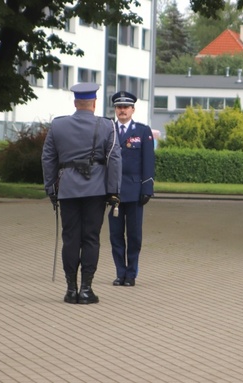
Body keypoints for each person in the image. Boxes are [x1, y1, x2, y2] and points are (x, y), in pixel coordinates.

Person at [42, 83, 122, 304]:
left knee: (70, 239)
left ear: (75, 103)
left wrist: (50, 187)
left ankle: (70, 289)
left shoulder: (58, 126)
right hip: (96, 191)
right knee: (90, 239)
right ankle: (86, 289)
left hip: (67, 190)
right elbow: (114, 159)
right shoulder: (107, 126)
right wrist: (113, 191)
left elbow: (47, 158)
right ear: (94, 103)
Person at [108, 91, 155, 287]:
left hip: (135, 191)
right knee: (116, 235)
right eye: (119, 107)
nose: (122, 110)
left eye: (126, 107)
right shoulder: (108, 130)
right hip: (113, 191)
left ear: (133, 110)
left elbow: (148, 161)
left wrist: (147, 188)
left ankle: (131, 273)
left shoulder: (143, 131)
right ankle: (120, 273)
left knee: (134, 235)